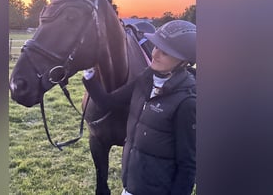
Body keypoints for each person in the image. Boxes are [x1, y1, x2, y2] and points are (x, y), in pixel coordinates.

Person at [82, 20, 196, 195]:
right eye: (156, 46)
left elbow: (188, 165)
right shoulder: (145, 78)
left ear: (183, 60)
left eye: (164, 52)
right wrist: (89, 73)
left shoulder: (187, 103)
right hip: (131, 184)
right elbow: (108, 102)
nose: (155, 54)